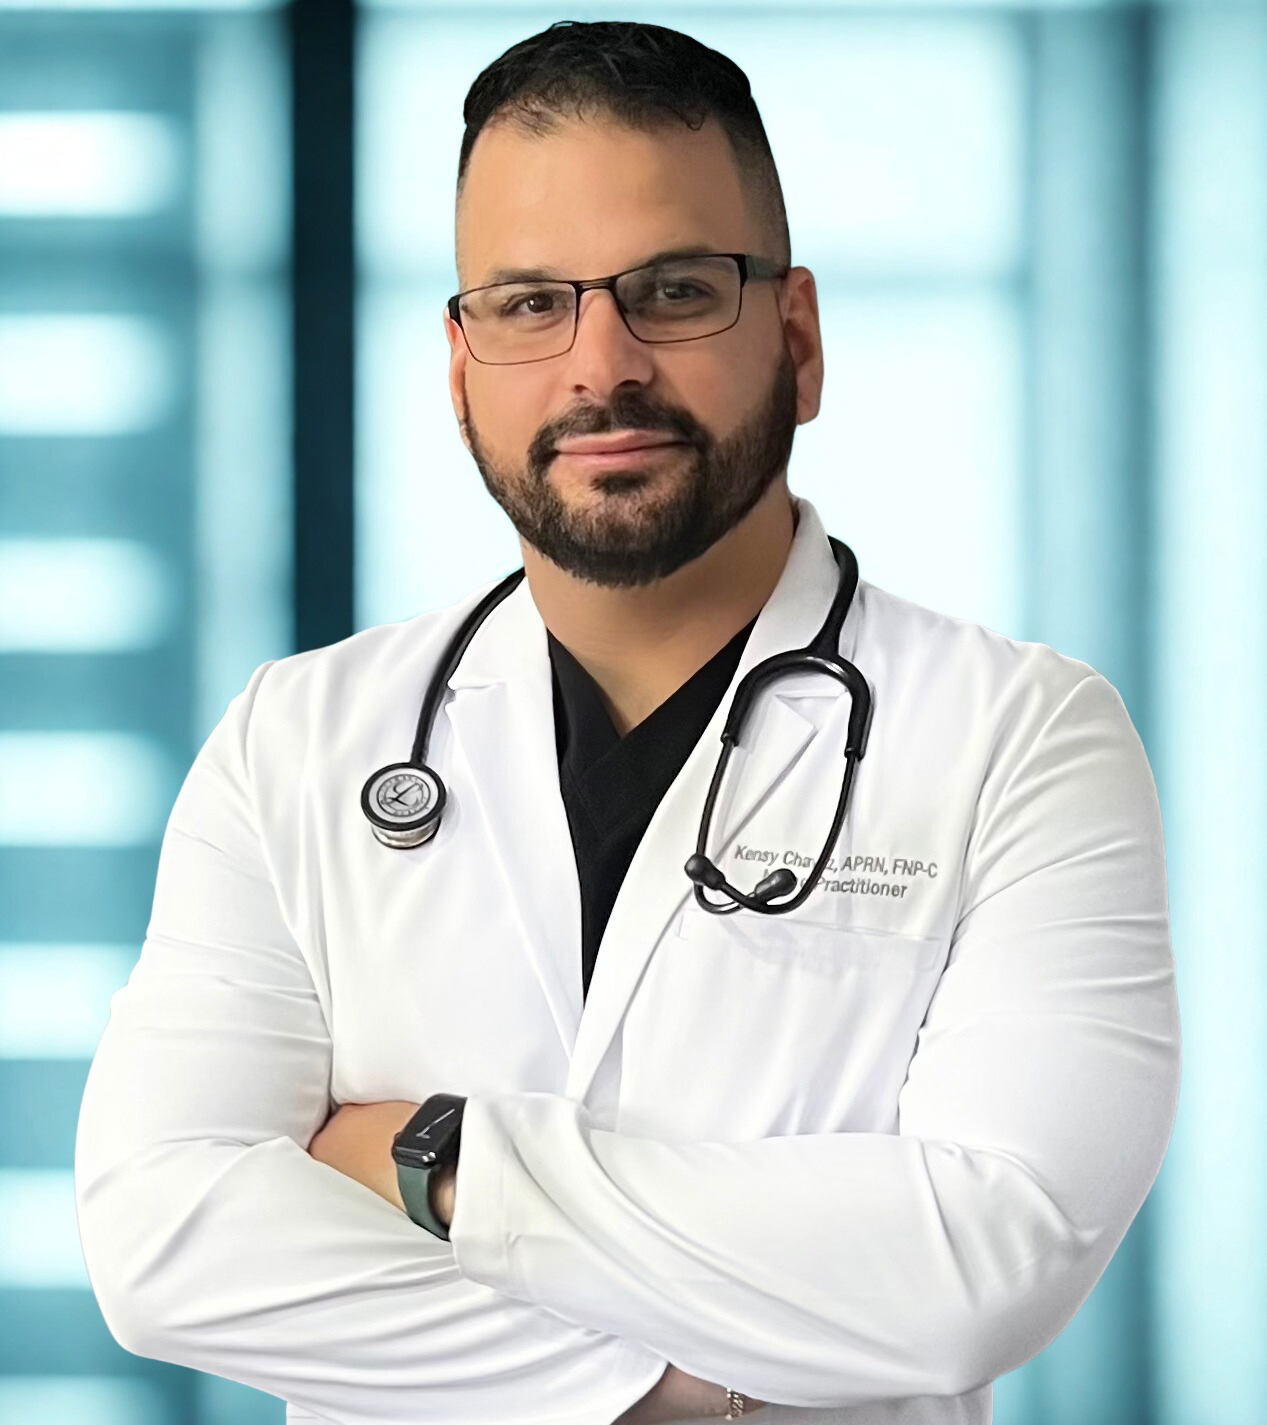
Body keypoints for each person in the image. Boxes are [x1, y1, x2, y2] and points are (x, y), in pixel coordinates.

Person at [74, 19, 1181, 1425]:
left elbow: (982, 1260)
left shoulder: (1020, 739)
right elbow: (161, 1245)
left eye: (670, 290)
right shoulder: (298, 738)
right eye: (530, 302)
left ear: (796, 337)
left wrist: (435, 1160)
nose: (600, 365)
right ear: (460, 360)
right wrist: (669, 1393)